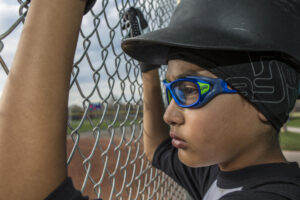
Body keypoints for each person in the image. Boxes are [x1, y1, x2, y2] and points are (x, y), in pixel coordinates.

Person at [121, 0, 300, 199]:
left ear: (267, 96)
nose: (168, 116)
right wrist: (148, 67)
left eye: (189, 90)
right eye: (171, 90)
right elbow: (158, 148)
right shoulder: (219, 172)